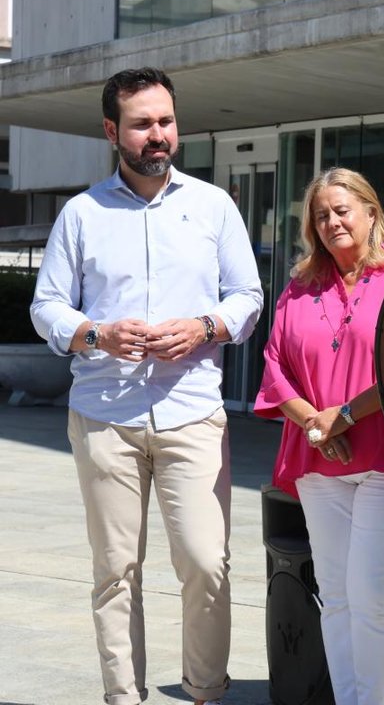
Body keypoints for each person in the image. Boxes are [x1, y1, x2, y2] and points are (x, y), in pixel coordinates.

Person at [29, 67, 263, 705]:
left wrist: (205, 325)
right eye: (141, 124)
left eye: (165, 122)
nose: (157, 135)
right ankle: (124, 697)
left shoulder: (213, 205)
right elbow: (47, 306)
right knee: (115, 572)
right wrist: (94, 333)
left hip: (192, 413)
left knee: (207, 563)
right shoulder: (81, 214)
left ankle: (206, 691)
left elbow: (247, 296)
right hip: (106, 415)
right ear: (113, 132)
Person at [254, 168, 384, 704]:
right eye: (321, 215)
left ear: (371, 212)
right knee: (338, 598)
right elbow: (275, 365)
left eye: (343, 210)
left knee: (375, 598)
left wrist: (341, 416)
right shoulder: (300, 287)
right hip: (318, 460)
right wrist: (315, 425)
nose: (332, 222)